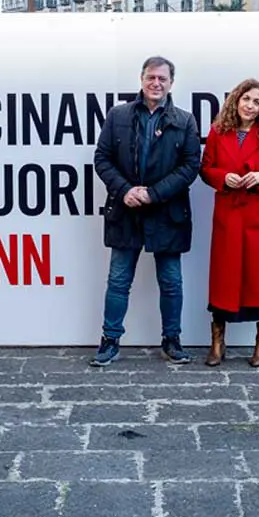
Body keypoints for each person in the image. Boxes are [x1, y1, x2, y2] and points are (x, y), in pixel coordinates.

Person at [90, 55, 202, 367]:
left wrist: (154, 194)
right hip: (126, 211)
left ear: (171, 84)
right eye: (151, 77)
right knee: (118, 280)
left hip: (167, 213)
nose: (156, 83)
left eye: (162, 79)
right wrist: (125, 190)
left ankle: (172, 340)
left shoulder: (184, 120)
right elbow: (102, 158)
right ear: (141, 79)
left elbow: (191, 166)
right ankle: (110, 340)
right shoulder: (118, 115)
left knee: (171, 281)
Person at [198, 78, 259, 368]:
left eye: (257, 102)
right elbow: (206, 168)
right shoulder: (217, 132)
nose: (250, 106)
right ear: (236, 100)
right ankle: (217, 342)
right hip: (228, 213)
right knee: (224, 278)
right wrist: (222, 177)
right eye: (246, 99)